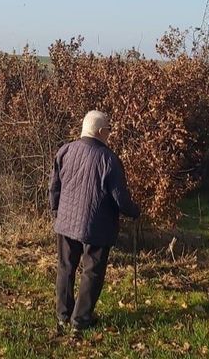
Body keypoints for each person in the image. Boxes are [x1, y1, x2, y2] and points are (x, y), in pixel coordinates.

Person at [49, 110, 141, 332]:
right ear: (100, 131)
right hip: (97, 226)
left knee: (65, 267)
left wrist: (56, 210)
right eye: (108, 129)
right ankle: (80, 321)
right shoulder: (109, 159)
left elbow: (54, 187)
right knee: (92, 272)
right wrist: (134, 212)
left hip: (66, 222)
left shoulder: (65, 150)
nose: (110, 133)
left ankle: (63, 315)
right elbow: (120, 199)